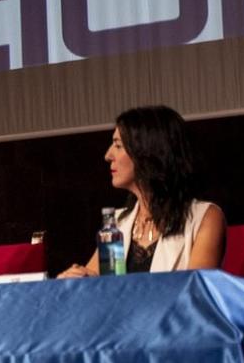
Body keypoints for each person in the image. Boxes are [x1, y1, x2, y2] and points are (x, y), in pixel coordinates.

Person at [58, 105, 226, 276]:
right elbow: (99, 282)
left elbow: (195, 291)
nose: (108, 155)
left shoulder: (205, 216)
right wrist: (76, 280)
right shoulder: (118, 223)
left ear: (147, 151)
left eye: (118, 146)